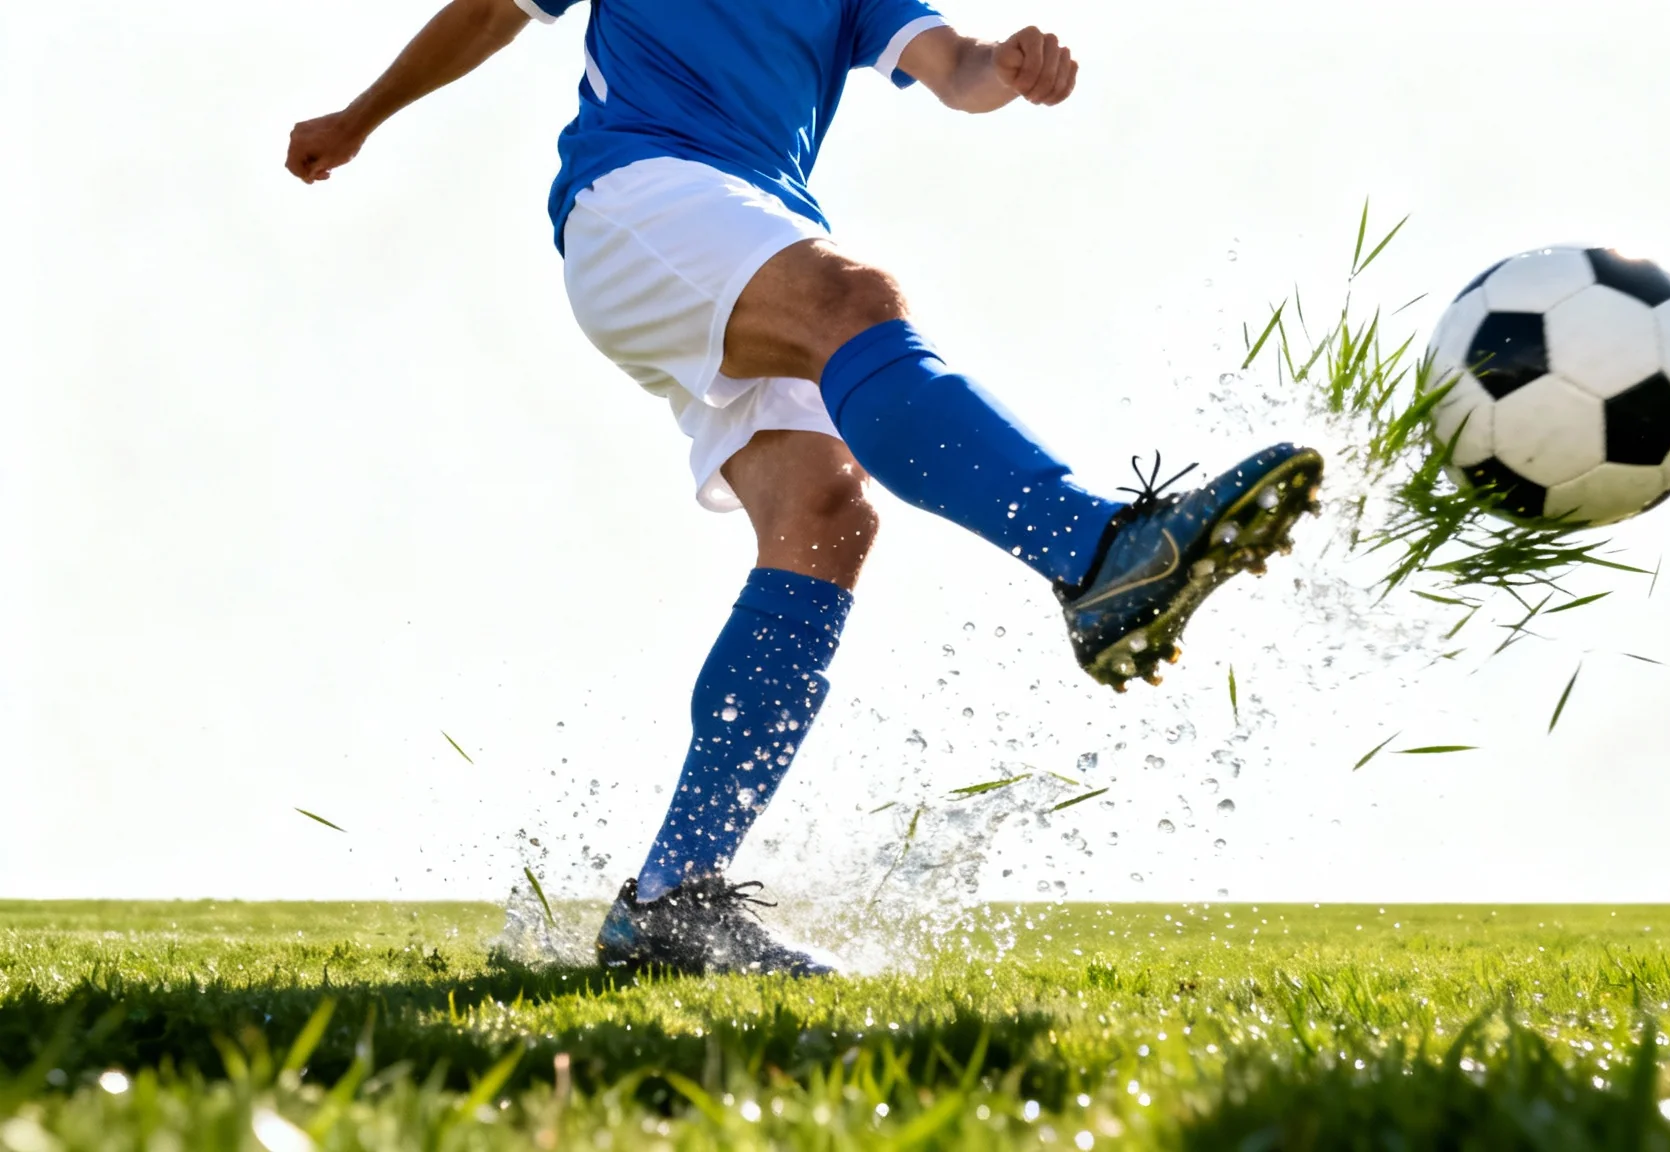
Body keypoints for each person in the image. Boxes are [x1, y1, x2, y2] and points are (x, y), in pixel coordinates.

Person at [287, 0, 1322, 976]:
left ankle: (671, 898)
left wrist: (1005, 68)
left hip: (740, 226)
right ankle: (1093, 552)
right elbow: (489, 12)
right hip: (637, 197)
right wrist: (359, 118)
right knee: (854, 299)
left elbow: (952, 71)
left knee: (826, 520)